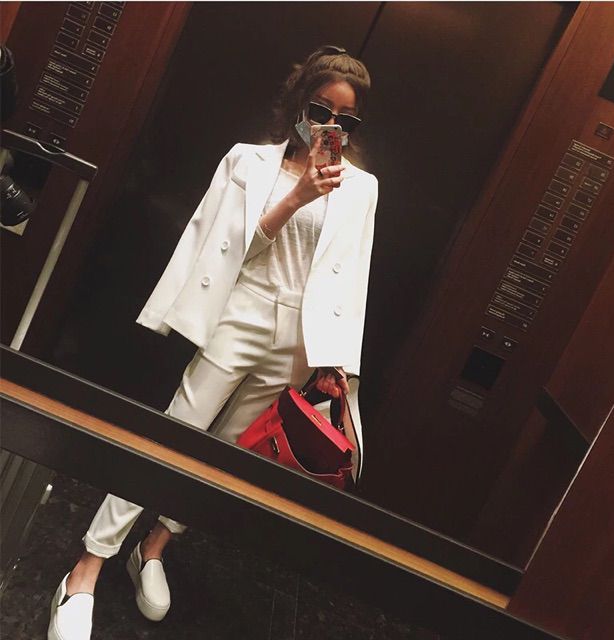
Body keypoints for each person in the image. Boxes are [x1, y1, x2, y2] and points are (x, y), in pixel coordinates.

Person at [47, 45, 377, 640]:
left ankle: (153, 546)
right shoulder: (248, 162)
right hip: (241, 311)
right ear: (299, 104)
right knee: (173, 433)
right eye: (320, 110)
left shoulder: (362, 189)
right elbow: (221, 247)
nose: (331, 125)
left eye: (345, 119)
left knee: (230, 454)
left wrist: (340, 365)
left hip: (298, 339)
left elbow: (353, 280)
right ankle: (87, 566)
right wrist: (298, 196)